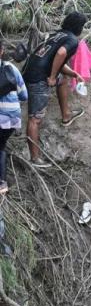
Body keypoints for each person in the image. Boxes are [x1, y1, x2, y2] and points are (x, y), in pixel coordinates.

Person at [23, 12, 87, 168]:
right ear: (79, 27)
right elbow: (61, 53)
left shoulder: (57, 35)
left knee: (62, 79)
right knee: (35, 119)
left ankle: (66, 115)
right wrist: (51, 76)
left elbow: (55, 58)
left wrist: (73, 73)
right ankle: (35, 159)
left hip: (31, 69)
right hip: (38, 77)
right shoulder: (72, 40)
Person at [0, 41, 28, 194]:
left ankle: (2, 183)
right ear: (2, 51)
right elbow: (24, 96)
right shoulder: (11, 69)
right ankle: (2, 184)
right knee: (1, 145)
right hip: (13, 118)